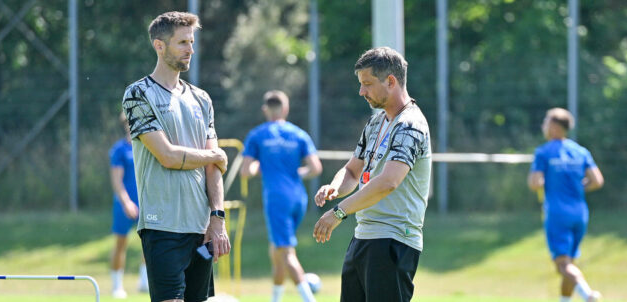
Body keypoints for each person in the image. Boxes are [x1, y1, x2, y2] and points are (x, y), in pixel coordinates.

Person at [121, 11, 231, 302]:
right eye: (182, 42)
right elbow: (167, 156)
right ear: (159, 45)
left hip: (202, 227)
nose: (190, 49)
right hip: (162, 225)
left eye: (191, 42)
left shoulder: (202, 98)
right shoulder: (137, 94)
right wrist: (212, 156)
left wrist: (217, 219)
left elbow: (214, 168)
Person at [313, 47, 431, 302]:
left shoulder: (410, 125)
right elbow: (352, 171)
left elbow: (388, 182)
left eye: (367, 84)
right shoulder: (376, 122)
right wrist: (335, 187)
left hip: (393, 241)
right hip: (363, 237)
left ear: (391, 81)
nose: (361, 91)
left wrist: (338, 212)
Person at [240, 90, 323, 302]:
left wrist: (263, 167)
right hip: (298, 198)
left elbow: (245, 171)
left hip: (277, 198)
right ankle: (275, 299)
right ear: (285, 109)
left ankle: (308, 299)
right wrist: (296, 173)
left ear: (265, 109)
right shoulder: (299, 134)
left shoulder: (257, 135)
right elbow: (315, 168)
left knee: (286, 253)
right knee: (276, 251)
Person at [527, 108, 605, 302]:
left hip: (557, 213)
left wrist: (547, 183)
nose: (543, 126)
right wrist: (577, 188)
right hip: (580, 213)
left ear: (554, 127)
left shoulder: (544, 152)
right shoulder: (580, 151)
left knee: (563, 266)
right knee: (569, 264)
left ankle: (588, 295)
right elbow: (597, 181)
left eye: (546, 122)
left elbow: (534, 183)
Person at [108, 112, 149, 298]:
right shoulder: (119, 150)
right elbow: (117, 181)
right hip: (124, 205)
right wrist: (127, 203)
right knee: (120, 244)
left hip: (146, 204)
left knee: (149, 243)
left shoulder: (147, 146)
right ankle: (117, 285)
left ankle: (145, 282)